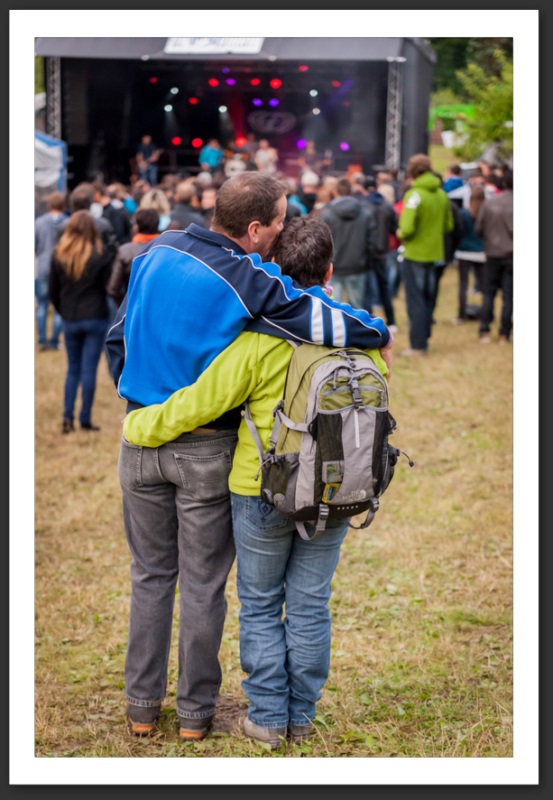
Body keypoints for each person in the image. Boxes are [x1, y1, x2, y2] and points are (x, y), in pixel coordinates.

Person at [107, 171, 392, 741]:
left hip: (138, 439)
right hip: (207, 447)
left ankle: (141, 708)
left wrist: (134, 398)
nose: (284, 227)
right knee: (206, 584)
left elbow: (120, 333)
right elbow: (319, 317)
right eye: (282, 218)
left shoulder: (154, 249)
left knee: (149, 576)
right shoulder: (245, 276)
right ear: (257, 228)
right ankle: (194, 716)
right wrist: (378, 330)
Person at [48, 210, 114, 433]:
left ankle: (68, 416)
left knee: (72, 369)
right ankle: (84, 418)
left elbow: (53, 290)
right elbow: (108, 286)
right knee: (88, 370)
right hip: (95, 315)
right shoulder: (101, 253)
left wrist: (62, 310)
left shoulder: (59, 253)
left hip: (71, 316)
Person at [397, 154, 454, 356]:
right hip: (435, 254)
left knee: (416, 301)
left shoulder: (414, 195)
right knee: (429, 299)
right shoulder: (442, 194)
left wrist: (400, 233)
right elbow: (449, 225)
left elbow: (407, 227)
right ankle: (425, 337)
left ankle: (418, 345)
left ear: (412, 172)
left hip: (415, 255)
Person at [320, 176, 378, 309]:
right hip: (356, 266)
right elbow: (372, 242)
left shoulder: (327, 213)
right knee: (358, 308)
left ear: (335, 192)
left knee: (332, 308)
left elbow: (321, 242)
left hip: (335, 267)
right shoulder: (365, 212)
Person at [475, 168, 513, 344]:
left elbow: (479, 228)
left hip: (492, 253)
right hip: (510, 255)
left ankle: (485, 329)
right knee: (509, 295)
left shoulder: (490, 203)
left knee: (488, 292)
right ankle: (504, 332)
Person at [362, 176, 398, 331]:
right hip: (382, 251)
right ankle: (391, 320)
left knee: (367, 289)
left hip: (366, 252)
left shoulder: (362, 205)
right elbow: (393, 229)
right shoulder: (386, 206)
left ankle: (368, 321)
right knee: (384, 287)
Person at [35, 190, 68, 351]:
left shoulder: (39, 222)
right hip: (62, 268)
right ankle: (54, 340)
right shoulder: (69, 223)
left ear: (49, 205)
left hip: (42, 266)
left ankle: (42, 340)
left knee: (41, 305)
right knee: (59, 307)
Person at [107, 208, 160, 306]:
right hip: (159, 306)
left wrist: (124, 306)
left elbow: (113, 288)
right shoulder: (166, 250)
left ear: (137, 226)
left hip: (133, 306)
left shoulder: (125, 251)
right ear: (157, 225)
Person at [453, 186, 486, 325]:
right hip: (480, 251)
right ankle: (485, 312)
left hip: (465, 251)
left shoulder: (464, 214)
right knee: (484, 286)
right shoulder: (484, 213)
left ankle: (462, 314)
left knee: (463, 284)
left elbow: (459, 231)